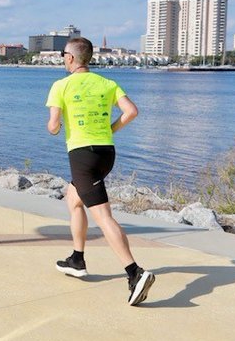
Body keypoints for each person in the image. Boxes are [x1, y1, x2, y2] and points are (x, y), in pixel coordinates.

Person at [46, 37, 155, 306]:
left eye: (63, 55)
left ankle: (135, 273)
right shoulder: (107, 83)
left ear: (71, 58)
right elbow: (131, 111)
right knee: (73, 199)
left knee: (103, 217)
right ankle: (77, 259)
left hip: (83, 156)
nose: (63, 59)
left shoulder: (61, 85)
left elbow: (53, 126)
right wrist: (110, 129)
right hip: (106, 154)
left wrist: (57, 128)